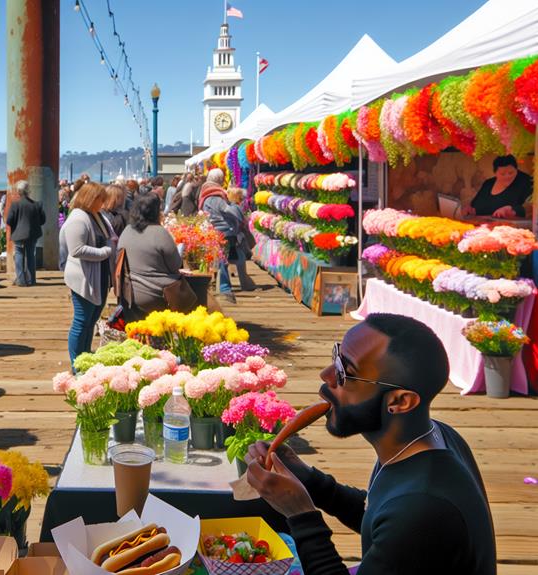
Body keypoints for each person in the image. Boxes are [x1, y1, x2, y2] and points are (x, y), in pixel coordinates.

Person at [244, 314, 496, 575]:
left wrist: (301, 514)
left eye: (345, 373)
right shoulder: (431, 438)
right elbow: (380, 515)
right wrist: (310, 481)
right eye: (336, 358)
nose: (326, 376)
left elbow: (404, 520)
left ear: (400, 402)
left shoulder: (422, 506)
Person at [59, 181, 116, 370]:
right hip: (83, 277)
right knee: (81, 321)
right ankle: (77, 364)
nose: (104, 203)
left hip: (97, 276)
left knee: (90, 321)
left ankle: (84, 359)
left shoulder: (95, 215)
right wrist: (105, 252)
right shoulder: (78, 218)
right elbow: (76, 249)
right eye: (101, 199)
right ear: (91, 198)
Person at [117, 193, 183, 321]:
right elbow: (175, 265)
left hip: (129, 294)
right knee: (197, 295)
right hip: (160, 295)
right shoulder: (160, 233)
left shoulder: (127, 231)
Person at [197, 168, 242, 304]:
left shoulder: (204, 193)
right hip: (223, 230)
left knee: (216, 259)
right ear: (219, 180)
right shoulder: (216, 196)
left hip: (210, 230)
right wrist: (235, 206)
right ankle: (225, 288)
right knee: (223, 260)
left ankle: (215, 285)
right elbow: (227, 211)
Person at [464, 155, 534, 218]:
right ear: (495, 173)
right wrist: (471, 210)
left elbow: (532, 206)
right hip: (485, 226)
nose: (507, 176)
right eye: (502, 174)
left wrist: (513, 210)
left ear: (516, 170)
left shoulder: (526, 181)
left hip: (515, 228)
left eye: (511, 173)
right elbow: (475, 207)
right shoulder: (488, 184)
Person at [6, 180, 46, 287]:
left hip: (18, 234)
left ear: (19, 192)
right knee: (30, 255)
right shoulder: (37, 205)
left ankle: (21, 280)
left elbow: (9, 220)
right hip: (32, 234)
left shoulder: (15, 205)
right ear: (29, 191)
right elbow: (43, 220)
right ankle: (31, 280)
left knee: (19, 254)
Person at [226, 187, 257, 291]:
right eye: (241, 197)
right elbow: (241, 223)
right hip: (236, 238)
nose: (243, 199)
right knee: (240, 259)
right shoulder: (236, 208)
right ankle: (246, 284)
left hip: (230, 237)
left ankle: (244, 283)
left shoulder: (229, 206)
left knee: (237, 259)